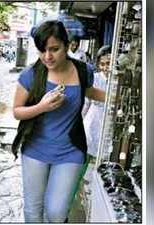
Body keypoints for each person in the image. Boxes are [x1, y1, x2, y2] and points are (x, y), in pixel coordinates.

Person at [11, 20, 105, 223]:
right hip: (35, 150)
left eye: (54, 49)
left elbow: (87, 91)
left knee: (56, 212)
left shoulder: (83, 71)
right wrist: (42, 107)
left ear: (67, 44)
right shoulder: (31, 75)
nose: (47, 56)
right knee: (33, 211)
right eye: (42, 50)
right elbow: (17, 112)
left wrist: (116, 95)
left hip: (70, 151)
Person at [83, 45, 111, 158]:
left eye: (108, 63)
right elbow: (86, 102)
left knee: (106, 154)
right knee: (87, 150)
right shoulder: (95, 78)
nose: (105, 68)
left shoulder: (120, 80)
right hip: (93, 118)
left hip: (110, 119)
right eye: (102, 64)